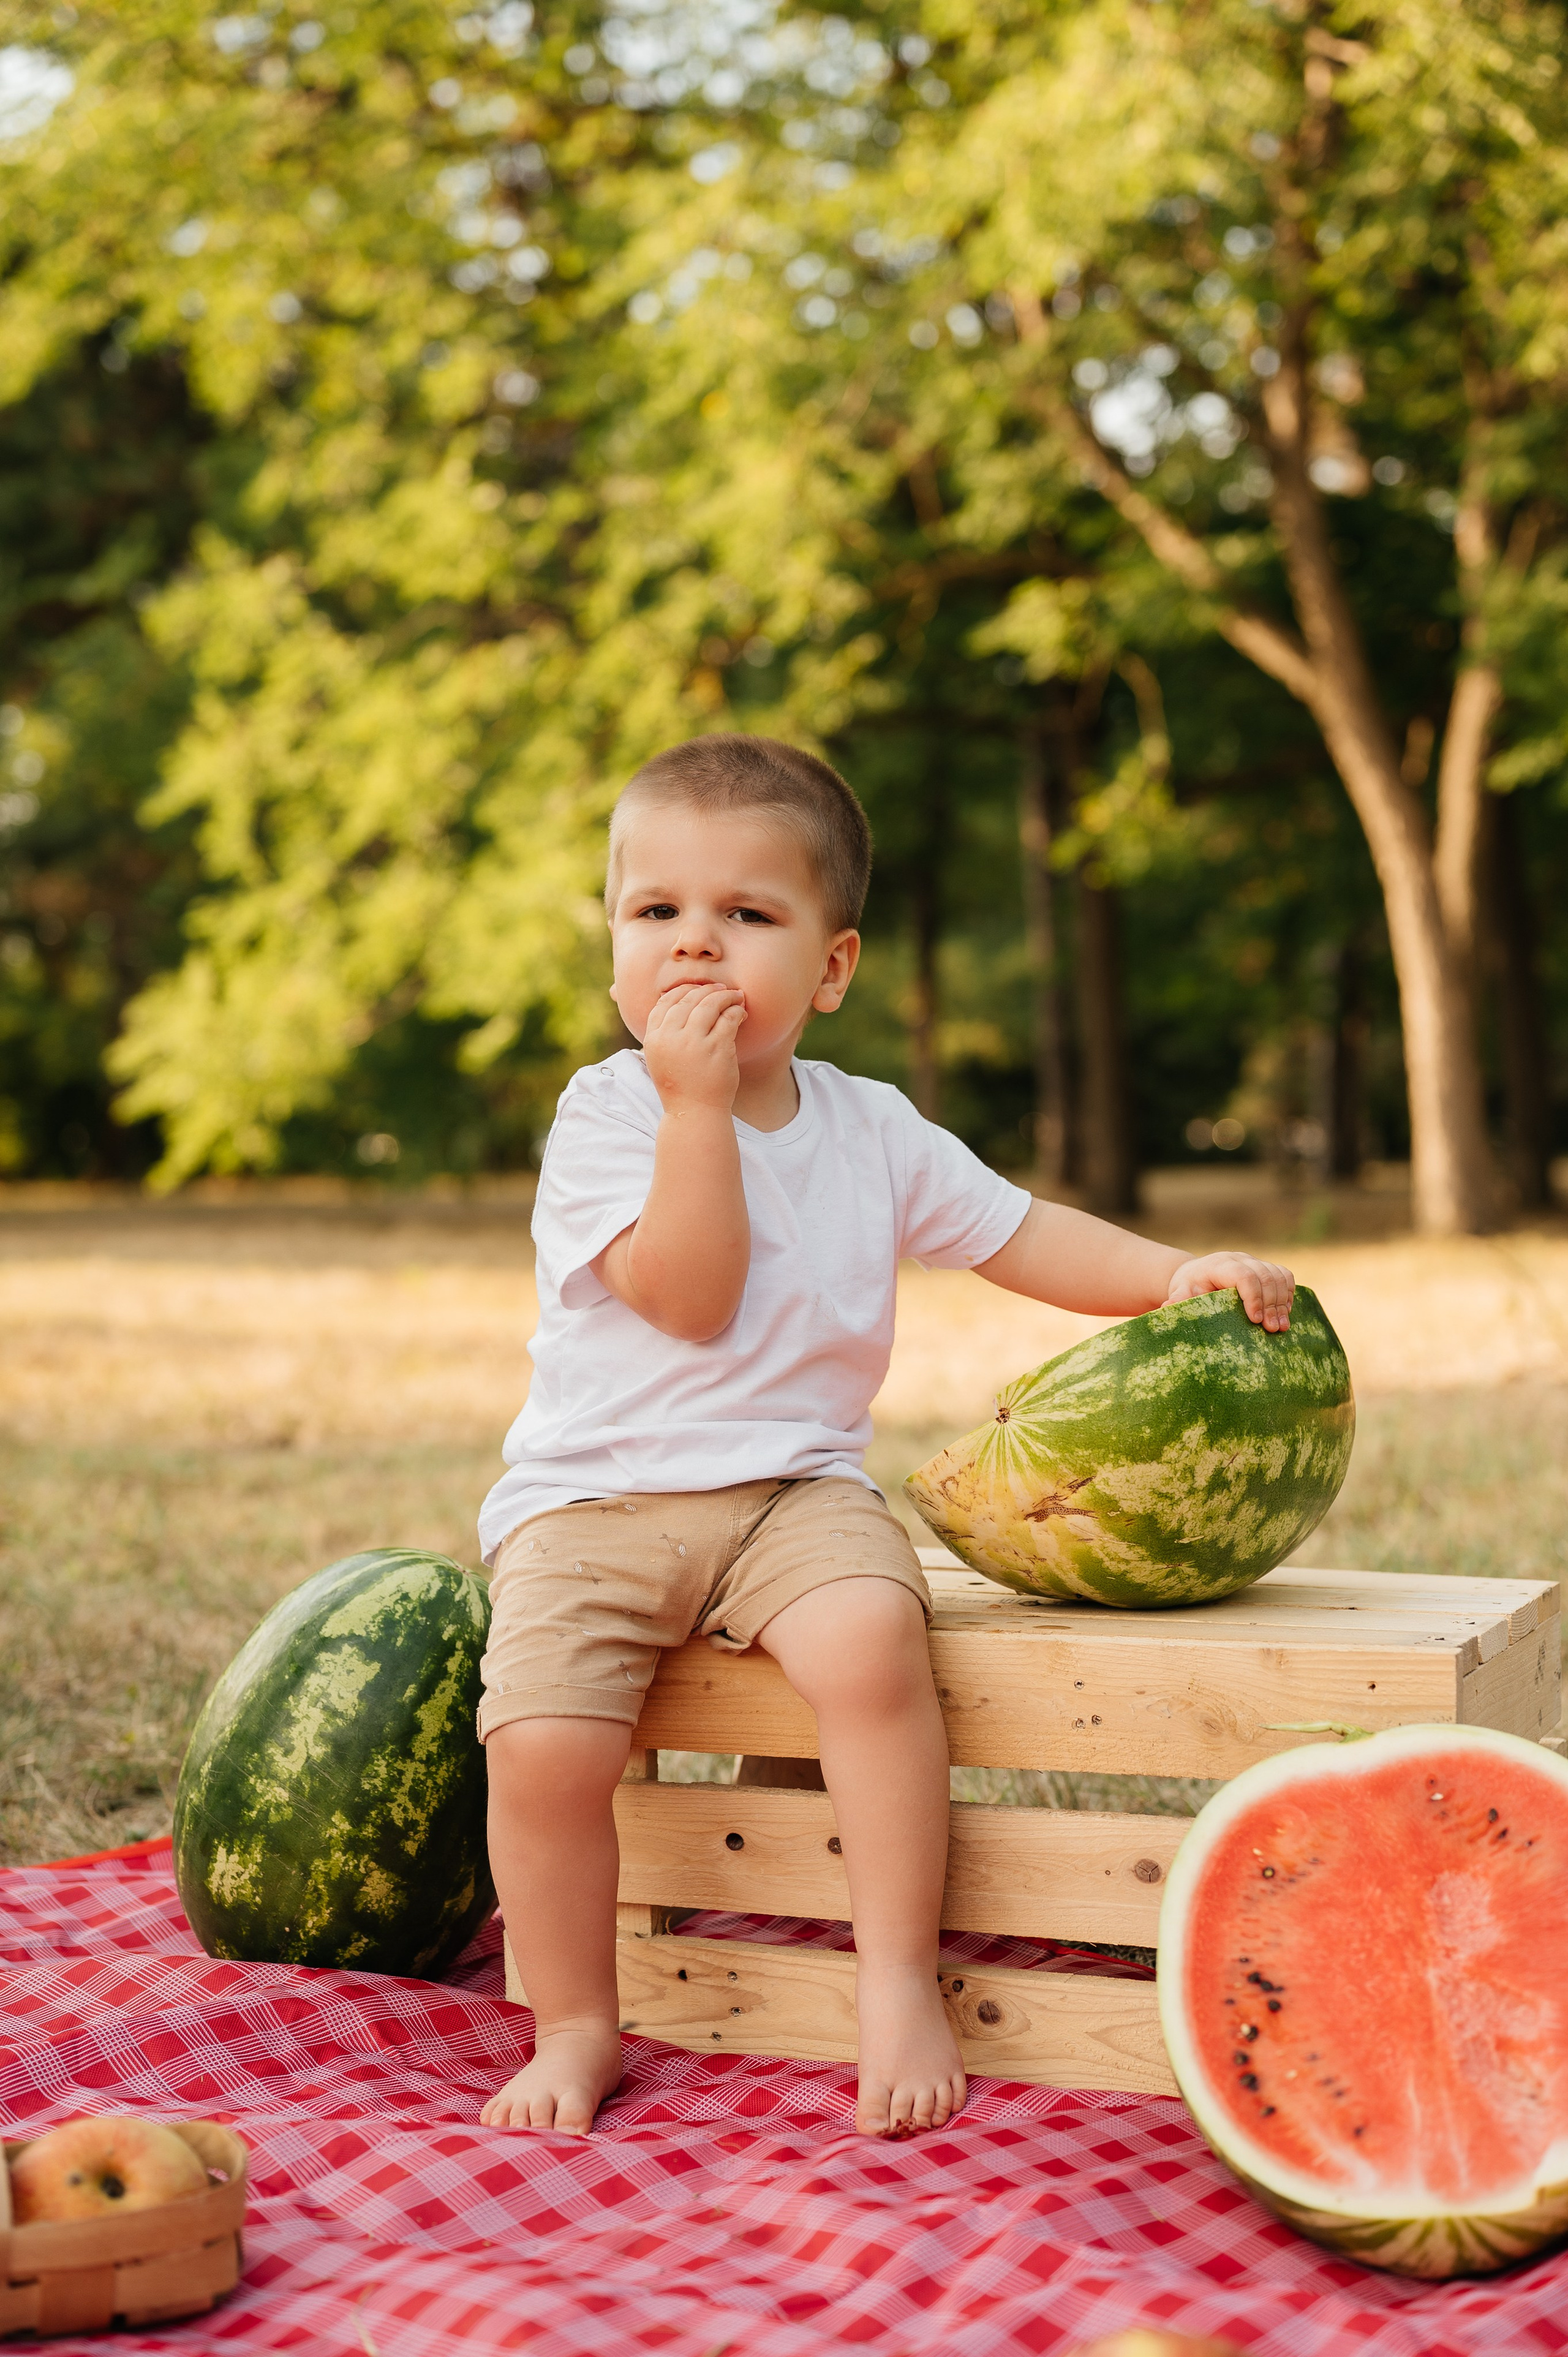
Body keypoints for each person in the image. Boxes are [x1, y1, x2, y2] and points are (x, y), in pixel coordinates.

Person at [475, 732, 1294, 2140]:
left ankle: (896, 1974)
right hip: (591, 1501)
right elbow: (688, 1293)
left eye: (746, 915)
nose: (692, 947)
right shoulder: (608, 1114)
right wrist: (693, 1112)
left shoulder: (874, 1128)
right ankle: (574, 2020)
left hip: (792, 1490)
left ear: (831, 968)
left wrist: (1168, 1275)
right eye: (653, 911)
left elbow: (1020, 1232)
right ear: (609, 944)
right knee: (542, 1749)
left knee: (870, 1643)